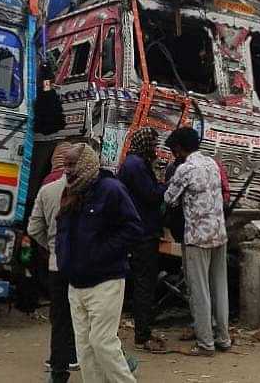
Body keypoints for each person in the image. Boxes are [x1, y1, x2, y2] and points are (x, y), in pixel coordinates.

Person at [56, 143, 142, 383]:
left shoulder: (111, 189)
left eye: (72, 164)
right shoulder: (71, 192)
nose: (68, 170)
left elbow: (133, 229)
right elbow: (63, 231)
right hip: (76, 284)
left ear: (86, 164)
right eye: (65, 165)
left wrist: (100, 253)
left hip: (105, 281)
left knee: (102, 343)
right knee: (84, 349)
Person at [164, 127, 231, 357]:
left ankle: (206, 344)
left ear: (180, 149)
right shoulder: (212, 164)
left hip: (196, 238)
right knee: (220, 289)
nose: (174, 153)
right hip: (219, 234)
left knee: (199, 291)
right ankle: (223, 338)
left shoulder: (185, 169)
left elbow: (169, 199)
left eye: (175, 149)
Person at [28, 141, 77, 383]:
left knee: (58, 317)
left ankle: (58, 367)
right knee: (81, 313)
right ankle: (76, 355)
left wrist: (51, 246)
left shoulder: (46, 186)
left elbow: (34, 228)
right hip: (81, 263)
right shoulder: (84, 186)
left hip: (55, 263)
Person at [117, 127, 167, 353]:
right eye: (153, 144)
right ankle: (142, 334)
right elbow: (151, 195)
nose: (156, 149)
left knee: (141, 283)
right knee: (144, 284)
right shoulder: (136, 165)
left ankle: (143, 329)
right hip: (143, 233)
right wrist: (166, 186)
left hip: (139, 230)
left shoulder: (134, 163)